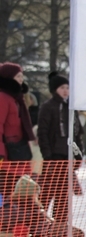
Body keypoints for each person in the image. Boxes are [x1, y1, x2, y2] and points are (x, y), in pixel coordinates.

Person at [36, 73, 84, 225]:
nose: (65, 91)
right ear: (54, 89)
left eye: (67, 87)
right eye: (62, 87)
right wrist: (47, 156)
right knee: (47, 192)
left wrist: (78, 155)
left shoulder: (71, 108)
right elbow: (42, 133)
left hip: (68, 156)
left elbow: (77, 134)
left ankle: (60, 227)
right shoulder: (48, 107)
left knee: (63, 196)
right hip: (53, 157)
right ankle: (38, 223)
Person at [0, 63, 36, 207]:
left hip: (19, 152)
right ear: (9, 78)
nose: (21, 79)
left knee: (20, 191)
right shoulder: (3, 97)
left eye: (22, 76)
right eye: (18, 76)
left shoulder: (17, 99)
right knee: (8, 191)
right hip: (8, 155)